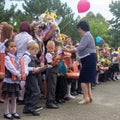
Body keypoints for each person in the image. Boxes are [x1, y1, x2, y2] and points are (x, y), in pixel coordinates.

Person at [63, 21, 97, 104]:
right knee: (87, 80)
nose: (79, 31)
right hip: (90, 58)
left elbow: (80, 48)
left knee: (83, 79)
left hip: (88, 58)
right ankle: (89, 97)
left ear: (82, 28)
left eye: (79, 29)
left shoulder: (86, 35)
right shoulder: (89, 35)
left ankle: (86, 98)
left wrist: (68, 50)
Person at [14, 21, 33, 105]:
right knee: (23, 78)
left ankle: (15, 96)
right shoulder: (29, 37)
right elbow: (31, 47)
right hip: (25, 56)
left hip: (17, 56)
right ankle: (21, 97)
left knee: (17, 76)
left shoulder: (16, 36)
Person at [2, 39, 21, 119]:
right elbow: (11, 67)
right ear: (7, 48)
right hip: (9, 80)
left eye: (15, 46)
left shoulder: (16, 57)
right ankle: (6, 112)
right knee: (7, 97)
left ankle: (14, 111)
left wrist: (21, 72)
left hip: (15, 81)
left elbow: (19, 66)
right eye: (11, 46)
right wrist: (18, 73)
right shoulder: (7, 58)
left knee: (14, 97)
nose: (14, 48)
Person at [23, 41, 43, 116]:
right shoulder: (26, 57)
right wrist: (33, 69)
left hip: (32, 75)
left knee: (30, 91)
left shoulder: (30, 56)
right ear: (30, 49)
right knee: (36, 91)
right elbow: (24, 67)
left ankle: (27, 107)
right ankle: (32, 107)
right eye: (35, 51)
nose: (36, 52)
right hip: (30, 76)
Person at [45, 40, 61, 109]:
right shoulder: (48, 54)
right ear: (46, 47)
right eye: (49, 48)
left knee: (53, 87)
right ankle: (49, 102)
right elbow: (52, 64)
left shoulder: (54, 53)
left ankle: (53, 100)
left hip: (54, 72)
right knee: (51, 87)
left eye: (52, 48)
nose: (51, 49)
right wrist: (56, 59)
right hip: (50, 72)